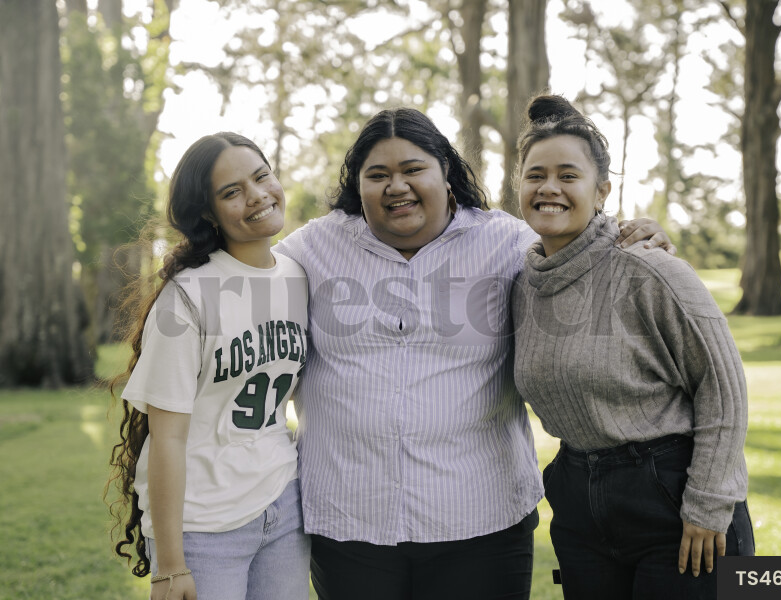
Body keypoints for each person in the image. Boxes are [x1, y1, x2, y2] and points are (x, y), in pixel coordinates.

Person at [272, 107, 673, 599]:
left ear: (446, 172)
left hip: (484, 519)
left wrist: (634, 231)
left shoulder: (506, 242)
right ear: (358, 186)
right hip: (349, 521)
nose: (396, 186)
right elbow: (244, 269)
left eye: (413, 169)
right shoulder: (311, 250)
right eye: (377, 175)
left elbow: (579, 243)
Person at [511, 94, 755, 600]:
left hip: (671, 492)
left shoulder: (649, 267)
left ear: (601, 190)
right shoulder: (521, 283)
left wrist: (709, 505)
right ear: (519, 184)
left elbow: (723, 386)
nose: (548, 187)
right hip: (579, 502)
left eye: (567, 175)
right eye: (535, 175)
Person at [107, 132, 311, 600]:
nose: (257, 196)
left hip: (283, 505)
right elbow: (168, 436)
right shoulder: (187, 296)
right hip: (202, 525)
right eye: (231, 192)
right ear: (207, 214)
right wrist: (171, 566)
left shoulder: (298, 276)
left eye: (261, 177)